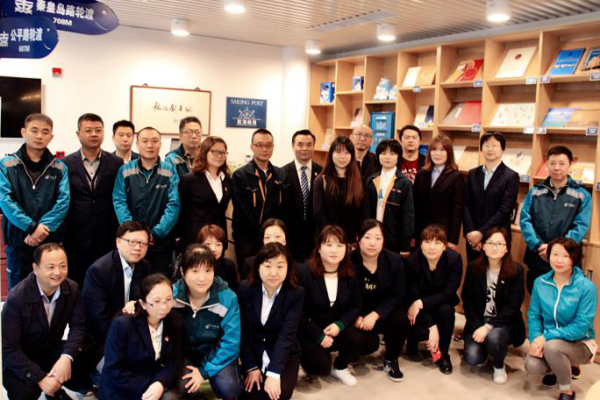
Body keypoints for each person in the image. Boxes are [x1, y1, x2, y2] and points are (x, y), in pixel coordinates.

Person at [2, 243, 85, 399]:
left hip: (50, 350)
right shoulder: (17, 297)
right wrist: (40, 378)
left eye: (63, 266)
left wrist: (66, 357)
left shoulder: (72, 288)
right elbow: (9, 348)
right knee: (25, 393)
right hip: (21, 358)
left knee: (85, 356)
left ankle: (57, 389)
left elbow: (78, 327)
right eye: (50, 267)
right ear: (35, 268)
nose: (58, 272)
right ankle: (51, 388)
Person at [0, 113, 70, 289]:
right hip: (18, 241)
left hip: (48, 243)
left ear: (51, 136)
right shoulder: (6, 164)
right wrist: (31, 227)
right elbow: (5, 199)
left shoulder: (59, 167)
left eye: (45, 132)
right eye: (34, 130)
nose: (39, 136)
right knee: (18, 291)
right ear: (23, 132)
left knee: (50, 290)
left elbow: (63, 201)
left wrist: (41, 229)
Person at [81, 221, 154, 384]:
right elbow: (99, 319)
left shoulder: (145, 266)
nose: (138, 248)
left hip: (133, 333)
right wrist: (128, 343)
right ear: (118, 242)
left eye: (143, 243)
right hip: (103, 338)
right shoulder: (99, 271)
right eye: (132, 242)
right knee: (121, 379)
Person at [525, 237, 597, 400]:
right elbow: (534, 315)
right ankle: (556, 368)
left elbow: (580, 327)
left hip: (581, 343)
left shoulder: (586, 287)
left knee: (552, 347)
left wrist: (545, 337)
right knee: (532, 364)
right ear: (548, 256)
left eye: (565, 256)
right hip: (549, 341)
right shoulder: (540, 283)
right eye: (555, 254)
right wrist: (536, 339)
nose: (559, 260)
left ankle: (566, 390)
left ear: (574, 258)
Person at [171, 245, 243, 399]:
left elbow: (231, 341)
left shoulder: (227, 297)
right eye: (195, 271)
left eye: (208, 270)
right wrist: (134, 306)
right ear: (182, 272)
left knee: (229, 388)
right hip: (183, 355)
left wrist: (203, 371)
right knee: (182, 388)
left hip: (214, 353)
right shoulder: (171, 295)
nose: (202, 278)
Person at [297, 225, 363, 387]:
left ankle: (340, 366)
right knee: (320, 366)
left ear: (346, 249)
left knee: (358, 339)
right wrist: (318, 336)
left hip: (336, 327)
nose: (334, 250)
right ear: (319, 248)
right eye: (329, 244)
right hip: (311, 330)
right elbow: (298, 312)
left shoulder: (350, 271)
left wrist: (340, 325)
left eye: (340, 245)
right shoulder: (304, 272)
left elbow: (357, 305)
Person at [62, 113, 124, 286]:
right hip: (75, 235)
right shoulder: (66, 163)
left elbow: (119, 197)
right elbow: (63, 200)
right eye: (88, 130)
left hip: (106, 235)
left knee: (105, 281)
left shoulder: (116, 163)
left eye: (98, 130)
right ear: (78, 133)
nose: (94, 134)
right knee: (76, 283)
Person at [238, 242, 305, 400]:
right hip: (254, 352)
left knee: (280, 394)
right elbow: (242, 331)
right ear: (258, 267)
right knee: (251, 395)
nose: (274, 273)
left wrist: (274, 373)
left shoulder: (296, 293)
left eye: (280, 266)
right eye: (268, 266)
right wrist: (251, 367)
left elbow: (287, 335)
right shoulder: (246, 288)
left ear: (288, 268)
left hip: (283, 353)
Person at [100, 273, 183, 400]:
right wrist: (149, 386)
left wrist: (160, 383)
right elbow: (114, 369)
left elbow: (174, 361)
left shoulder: (174, 321)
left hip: (154, 383)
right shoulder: (123, 324)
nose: (164, 307)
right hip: (123, 388)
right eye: (157, 301)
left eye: (168, 300)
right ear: (143, 303)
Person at [520, 146, 591, 293]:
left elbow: (581, 226)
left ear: (570, 165)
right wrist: (539, 245)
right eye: (552, 163)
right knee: (536, 296)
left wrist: (556, 249)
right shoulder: (535, 191)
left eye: (562, 163)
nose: (557, 168)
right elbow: (525, 221)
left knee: (564, 299)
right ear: (546, 164)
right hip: (538, 256)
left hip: (566, 259)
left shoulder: (582, 194)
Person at [113, 126, 181, 276]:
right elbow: (119, 201)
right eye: (145, 141)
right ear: (137, 144)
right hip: (131, 242)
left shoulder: (169, 171)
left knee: (158, 281)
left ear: (160, 144)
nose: (150, 145)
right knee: (131, 280)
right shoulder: (125, 170)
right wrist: (132, 231)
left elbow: (174, 204)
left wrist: (156, 233)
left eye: (154, 141)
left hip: (160, 241)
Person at [461, 227, 525, 385]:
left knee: (494, 337)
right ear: (483, 246)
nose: (494, 247)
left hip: (504, 323)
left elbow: (513, 306)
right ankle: (488, 349)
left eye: (499, 244)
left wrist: (488, 327)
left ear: (506, 248)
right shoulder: (473, 267)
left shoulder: (516, 271)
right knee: (473, 358)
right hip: (479, 321)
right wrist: (478, 326)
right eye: (490, 243)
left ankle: (498, 365)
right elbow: (467, 300)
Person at [350, 220, 410, 382]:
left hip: (383, 311)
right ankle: (353, 352)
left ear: (384, 240)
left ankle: (391, 359)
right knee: (368, 344)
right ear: (358, 238)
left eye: (378, 238)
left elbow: (398, 295)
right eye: (367, 237)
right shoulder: (348, 261)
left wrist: (376, 314)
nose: (372, 243)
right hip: (359, 312)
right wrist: (354, 316)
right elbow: (344, 294)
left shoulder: (394, 260)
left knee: (401, 320)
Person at [406, 224, 463, 374]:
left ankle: (443, 354)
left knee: (447, 311)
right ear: (421, 245)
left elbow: (448, 292)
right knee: (413, 315)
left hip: (440, 301)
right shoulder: (412, 261)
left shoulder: (454, 259)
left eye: (437, 242)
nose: (431, 247)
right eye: (427, 242)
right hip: (416, 303)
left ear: (444, 246)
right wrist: (432, 327)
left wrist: (422, 303)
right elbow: (414, 296)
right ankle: (413, 342)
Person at [463, 131, 519, 262]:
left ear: (502, 149)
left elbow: (505, 210)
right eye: (486, 145)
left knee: (496, 272)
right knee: (473, 271)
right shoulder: (472, 174)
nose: (490, 149)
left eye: (494, 145)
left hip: (497, 238)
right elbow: (465, 204)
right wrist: (471, 234)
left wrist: (481, 233)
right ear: (481, 148)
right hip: (473, 239)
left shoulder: (511, 176)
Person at [232, 128, 283, 268]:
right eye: (260, 145)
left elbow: (282, 208)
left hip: (272, 238)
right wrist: (261, 232)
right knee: (249, 274)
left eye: (268, 145)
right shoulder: (240, 175)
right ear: (252, 147)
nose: (264, 149)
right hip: (247, 239)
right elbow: (242, 210)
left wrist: (272, 233)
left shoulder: (279, 174)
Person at [178, 136, 232, 253]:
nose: (220, 155)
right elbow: (182, 213)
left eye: (223, 152)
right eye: (215, 151)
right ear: (204, 152)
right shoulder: (189, 180)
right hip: (195, 239)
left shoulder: (227, 180)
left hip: (218, 240)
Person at [413, 134, 464, 250]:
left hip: (442, 234)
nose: (437, 153)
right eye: (434, 149)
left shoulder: (456, 177)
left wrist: (453, 239)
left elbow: (457, 211)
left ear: (449, 153)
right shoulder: (421, 175)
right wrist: (412, 234)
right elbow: (415, 207)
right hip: (421, 232)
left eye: (442, 150)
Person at [365, 139, 414, 255]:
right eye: (383, 153)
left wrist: (405, 245)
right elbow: (365, 210)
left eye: (392, 154)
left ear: (398, 156)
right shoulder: (371, 180)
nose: (387, 157)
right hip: (372, 235)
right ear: (378, 155)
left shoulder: (404, 182)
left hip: (394, 239)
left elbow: (408, 215)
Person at [280, 129, 323, 262]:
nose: (304, 148)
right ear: (293, 146)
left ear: (314, 147)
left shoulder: (322, 172)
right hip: (290, 237)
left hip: (315, 237)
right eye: (300, 144)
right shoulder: (282, 173)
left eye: (309, 145)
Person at [313, 136, 365, 244]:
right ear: (331, 154)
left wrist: (359, 236)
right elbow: (319, 213)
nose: (342, 156)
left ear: (352, 156)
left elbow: (365, 213)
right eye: (338, 152)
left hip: (352, 241)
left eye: (347, 152)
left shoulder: (360, 181)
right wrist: (334, 236)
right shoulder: (321, 180)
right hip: (328, 240)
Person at [197, 224, 239, 292]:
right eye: (208, 244)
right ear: (199, 245)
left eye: (218, 245)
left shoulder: (228, 265)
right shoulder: (191, 263)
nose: (213, 249)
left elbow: (232, 291)